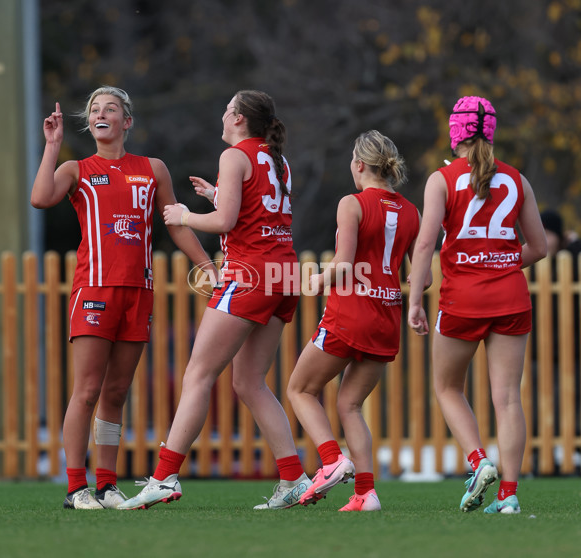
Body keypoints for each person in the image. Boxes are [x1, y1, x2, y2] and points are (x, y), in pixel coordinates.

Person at [119, 90, 311, 511]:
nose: (222, 115)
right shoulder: (276, 158)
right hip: (284, 274)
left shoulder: (234, 156)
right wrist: (217, 195)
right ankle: (294, 478)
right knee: (249, 382)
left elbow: (226, 221)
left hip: (250, 274)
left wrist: (184, 215)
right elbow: (257, 212)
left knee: (198, 374)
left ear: (240, 118)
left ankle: (165, 476)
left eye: (228, 109)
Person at [30, 86, 216, 510]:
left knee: (116, 392)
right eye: (94, 109)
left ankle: (106, 484)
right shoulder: (78, 168)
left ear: (126, 121)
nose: (101, 114)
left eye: (110, 109)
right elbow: (40, 198)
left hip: (139, 292)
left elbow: (177, 223)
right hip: (94, 289)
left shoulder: (152, 168)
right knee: (87, 389)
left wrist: (206, 264)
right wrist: (53, 146)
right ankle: (76, 487)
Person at [407, 96, 547, 514]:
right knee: (507, 399)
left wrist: (415, 301)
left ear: (455, 133)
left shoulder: (441, 180)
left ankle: (477, 460)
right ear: (492, 131)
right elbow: (538, 248)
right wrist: (500, 261)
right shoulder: (517, 179)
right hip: (510, 296)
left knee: (448, 387)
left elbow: (426, 243)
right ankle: (509, 497)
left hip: (463, 298)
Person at [287, 130, 430, 512]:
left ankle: (332, 460)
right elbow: (424, 276)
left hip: (349, 316)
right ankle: (366, 493)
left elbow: (345, 264)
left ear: (359, 165)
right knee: (350, 405)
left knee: (299, 389)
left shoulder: (352, 203)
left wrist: (317, 279)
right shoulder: (412, 212)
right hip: (387, 320)